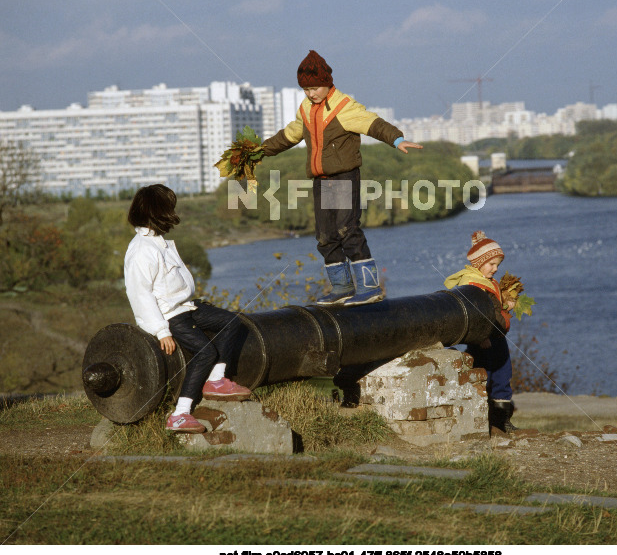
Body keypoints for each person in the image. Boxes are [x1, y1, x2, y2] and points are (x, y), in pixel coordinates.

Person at [262, 50, 423, 306]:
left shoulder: (344, 106)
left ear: (327, 83)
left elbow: (373, 123)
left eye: (314, 88)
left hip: (344, 176)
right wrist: (260, 151)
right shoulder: (305, 109)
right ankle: (342, 288)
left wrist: (397, 139)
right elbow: (290, 134)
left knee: (347, 229)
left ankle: (370, 287)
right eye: (305, 89)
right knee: (325, 235)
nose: (310, 93)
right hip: (321, 179)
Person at [124, 184, 252, 434]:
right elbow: (140, 295)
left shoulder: (157, 242)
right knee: (205, 352)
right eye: (169, 208)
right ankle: (180, 414)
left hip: (187, 308)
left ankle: (215, 380)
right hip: (171, 315)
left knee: (232, 321)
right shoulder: (141, 250)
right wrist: (161, 331)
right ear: (159, 212)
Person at [444, 230, 518, 433]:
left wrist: (506, 303)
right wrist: (481, 336)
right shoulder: (473, 284)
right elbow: (476, 314)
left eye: (497, 265)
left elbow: (494, 309)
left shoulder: (487, 282)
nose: (495, 269)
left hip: (497, 339)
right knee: (484, 377)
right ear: (478, 263)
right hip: (483, 341)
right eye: (491, 264)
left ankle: (501, 420)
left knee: (502, 377)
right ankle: (485, 421)